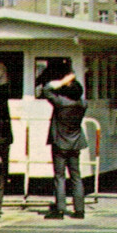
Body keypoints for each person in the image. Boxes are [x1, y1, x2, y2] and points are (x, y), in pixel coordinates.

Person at [37, 66, 87, 219]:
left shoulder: (60, 103)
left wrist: (62, 81)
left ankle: (60, 209)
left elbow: (46, 89)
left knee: (59, 176)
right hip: (76, 142)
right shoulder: (83, 104)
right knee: (76, 176)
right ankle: (79, 210)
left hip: (59, 142)